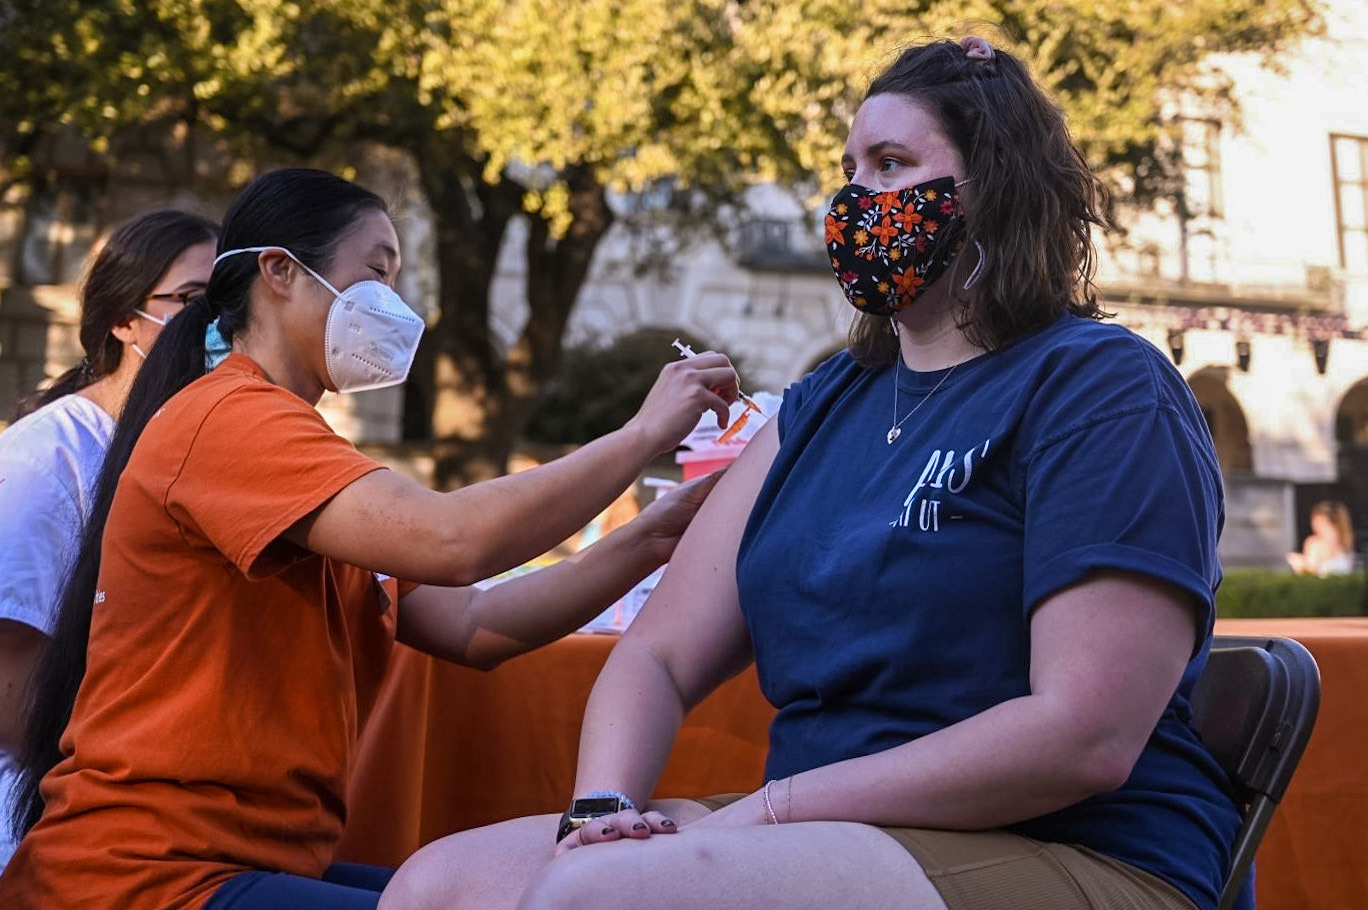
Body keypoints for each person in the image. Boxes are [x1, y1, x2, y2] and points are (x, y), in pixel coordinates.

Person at [378, 36, 1245, 910]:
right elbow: (662, 655)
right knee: (439, 886)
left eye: (892, 163)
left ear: (997, 188)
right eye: (850, 169)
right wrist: (599, 812)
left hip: (1078, 847)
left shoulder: (1101, 388)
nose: (855, 197)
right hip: (823, 831)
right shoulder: (818, 407)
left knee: (602, 898)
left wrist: (773, 809)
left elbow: (1083, 734)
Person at [0, 167, 740, 910]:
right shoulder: (226, 420)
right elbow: (455, 541)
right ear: (280, 272)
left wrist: (656, 534)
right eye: (374, 275)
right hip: (150, 876)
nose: (390, 305)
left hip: (247, 860)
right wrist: (640, 434)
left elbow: (477, 623)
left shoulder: (300, 450)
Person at [0, 209, 218, 869]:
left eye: (229, 301)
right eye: (191, 301)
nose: (218, 324)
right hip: (51, 838)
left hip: (158, 824)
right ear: (125, 321)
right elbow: (11, 695)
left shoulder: (194, 450)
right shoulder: (45, 459)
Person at [1287, 500, 1355, 577]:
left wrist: (1301, 566)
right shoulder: (1344, 542)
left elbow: (1312, 572)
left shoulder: (1317, 543)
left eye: (1321, 523)